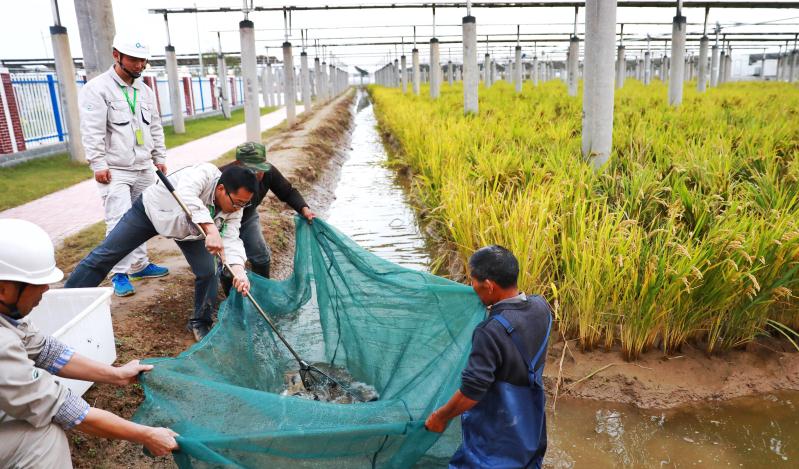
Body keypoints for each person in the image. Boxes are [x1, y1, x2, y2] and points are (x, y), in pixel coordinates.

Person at [0, 219, 178, 468]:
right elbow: (63, 409)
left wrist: (117, 375)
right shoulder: (2, 345)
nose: (45, 292)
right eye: (39, 286)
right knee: (43, 438)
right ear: (3, 289)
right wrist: (145, 435)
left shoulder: (8, 315)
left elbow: (45, 350)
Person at [65, 164, 257, 342]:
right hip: (151, 213)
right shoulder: (204, 173)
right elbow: (186, 195)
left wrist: (239, 271)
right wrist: (211, 229)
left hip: (190, 233)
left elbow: (231, 240)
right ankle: (66, 302)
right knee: (105, 255)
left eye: (244, 205)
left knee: (208, 271)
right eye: (238, 202)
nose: (239, 208)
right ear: (222, 189)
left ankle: (200, 322)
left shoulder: (235, 209)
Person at [425, 245, 552, 468]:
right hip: (530, 422)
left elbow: (471, 393)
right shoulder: (541, 307)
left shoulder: (490, 331)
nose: (470, 286)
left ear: (489, 286)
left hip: (497, 432)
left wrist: (440, 417)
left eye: (472, 281)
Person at [78, 33, 169, 297]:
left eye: (144, 61)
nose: (140, 65)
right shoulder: (97, 89)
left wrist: (159, 157)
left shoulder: (145, 90)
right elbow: (92, 131)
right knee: (118, 221)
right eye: (134, 60)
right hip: (115, 169)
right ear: (117, 55)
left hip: (142, 166)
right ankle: (118, 273)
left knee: (144, 217)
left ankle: (140, 265)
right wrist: (98, 163)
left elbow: (155, 126)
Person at [218, 142, 315, 291]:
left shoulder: (269, 173)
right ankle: (231, 299)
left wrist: (304, 209)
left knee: (260, 255)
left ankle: (263, 292)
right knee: (227, 266)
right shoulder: (223, 175)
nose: (256, 174)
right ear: (238, 164)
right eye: (251, 169)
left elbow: (287, 191)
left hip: (248, 217)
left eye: (259, 169)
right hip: (222, 221)